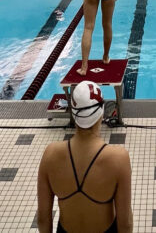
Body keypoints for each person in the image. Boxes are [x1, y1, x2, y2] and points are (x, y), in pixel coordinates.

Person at [36, 80, 132, 233]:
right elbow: (125, 223)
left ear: (73, 112)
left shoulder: (51, 154)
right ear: (101, 112)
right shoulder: (118, 158)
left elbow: (42, 218)